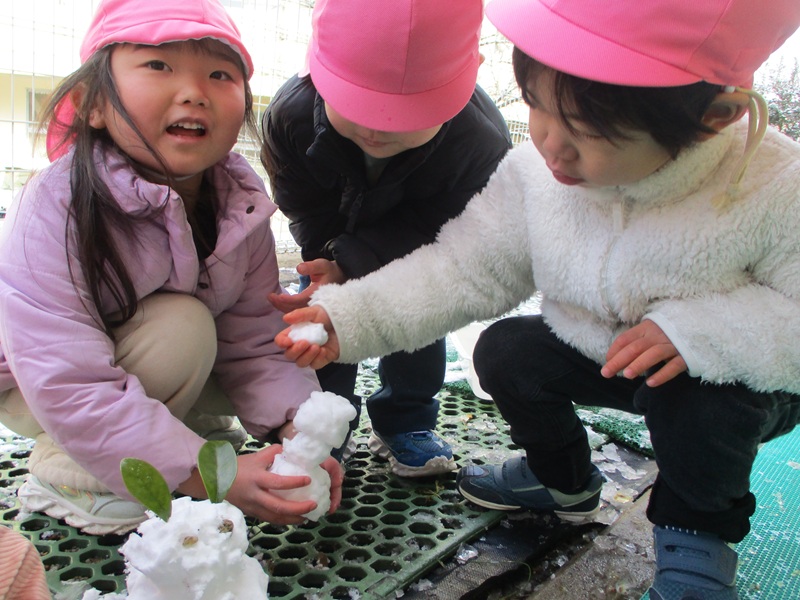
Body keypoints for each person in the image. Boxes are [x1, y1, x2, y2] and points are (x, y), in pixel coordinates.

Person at [276, 0, 800, 597]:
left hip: (740, 375)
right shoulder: (536, 174)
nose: (551, 147)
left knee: (700, 398)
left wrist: (699, 334)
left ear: (714, 118)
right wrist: (352, 317)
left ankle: (694, 550)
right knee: (507, 351)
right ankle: (562, 481)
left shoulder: (773, 185)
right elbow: (461, 269)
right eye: (538, 106)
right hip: (605, 352)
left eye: (591, 133)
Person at [0, 0, 342, 536]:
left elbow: (254, 337)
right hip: (35, 384)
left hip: (134, 364)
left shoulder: (237, 203)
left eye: (220, 74)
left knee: (219, 333)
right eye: (159, 65)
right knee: (183, 328)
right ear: (92, 104)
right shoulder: (56, 203)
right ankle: (70, 473)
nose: (194, 91)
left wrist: (300, 430)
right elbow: (65, 379)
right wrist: (204, 476)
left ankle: (176, 438)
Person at [262, 0, 512, 477]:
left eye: (406, 114)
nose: (376, 127)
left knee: (418, 318)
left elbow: (443, 226)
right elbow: (303, 202)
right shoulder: (291, 115)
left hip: (418, 250)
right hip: (332, 231)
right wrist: (330, 262)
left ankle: (406, 418)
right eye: (355, 103)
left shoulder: (479, 143)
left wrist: (357, 261)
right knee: (325, 317)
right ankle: (323, 423)